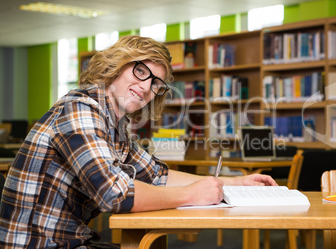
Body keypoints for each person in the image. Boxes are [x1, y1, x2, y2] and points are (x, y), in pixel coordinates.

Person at [0, 35, 277, 248]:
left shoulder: (115, 124)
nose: (146, 88)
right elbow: (114, 193)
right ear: (115, 66)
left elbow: (157, 175)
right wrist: (194, 194)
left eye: (156, 83)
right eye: (140, 72)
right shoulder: (81, 110)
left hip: (69, 239)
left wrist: (230, 183)